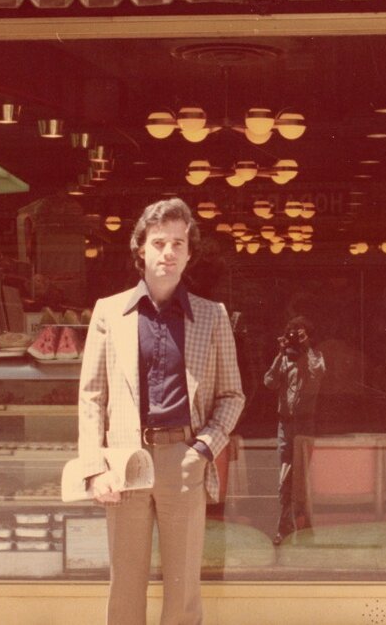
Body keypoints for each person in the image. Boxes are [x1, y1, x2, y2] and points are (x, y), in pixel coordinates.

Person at [76, 198, 245, 625]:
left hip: (183, 461)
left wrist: (203, 450)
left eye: (178, 243)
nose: (167, 252)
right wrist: (95, 467)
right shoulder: (108, 312)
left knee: (184, 591)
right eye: (158, 243)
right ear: (140, 250)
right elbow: (91, 396)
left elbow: (232, 395)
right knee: (125, 589)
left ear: (189, 253)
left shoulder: (212, 315)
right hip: (125, 462)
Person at [263, 315, 326, 545]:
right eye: (294, 334)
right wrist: (281, 353)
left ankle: (306, 526)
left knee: (304, 476)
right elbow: (269, 382)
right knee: (285, 475)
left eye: (301, 335)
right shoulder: (285, 359)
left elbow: (317, 372)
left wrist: (306, 347)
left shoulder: (315, 357)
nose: (296, 340)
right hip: (286, 424)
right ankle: (284, 525)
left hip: (305, 423)